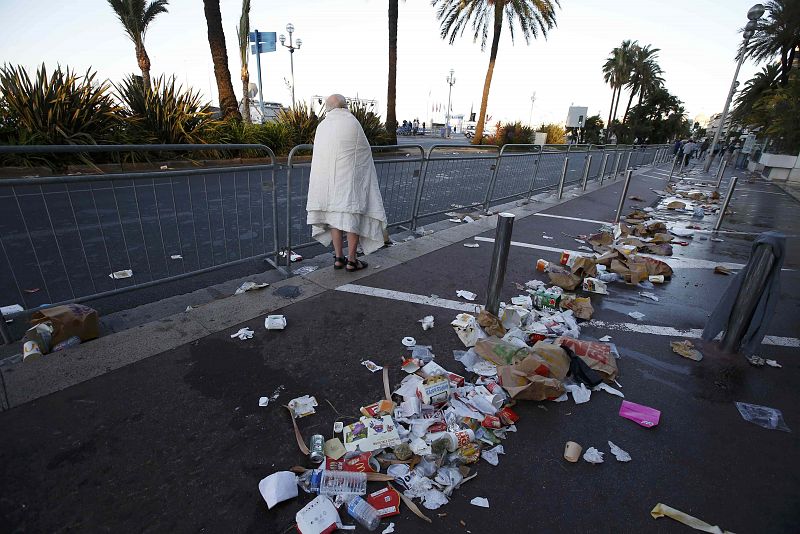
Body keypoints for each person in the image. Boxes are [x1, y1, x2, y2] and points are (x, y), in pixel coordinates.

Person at [306, 94, 387, 271]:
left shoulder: (322, 126)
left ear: (328, 108)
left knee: (334, 219)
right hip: (349, 184)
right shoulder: (352, 123)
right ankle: (352, 260)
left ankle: (338, 258)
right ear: (345, 106)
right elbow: (364, 153)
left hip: (329, 186)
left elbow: (320, 158)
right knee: (352, 219)